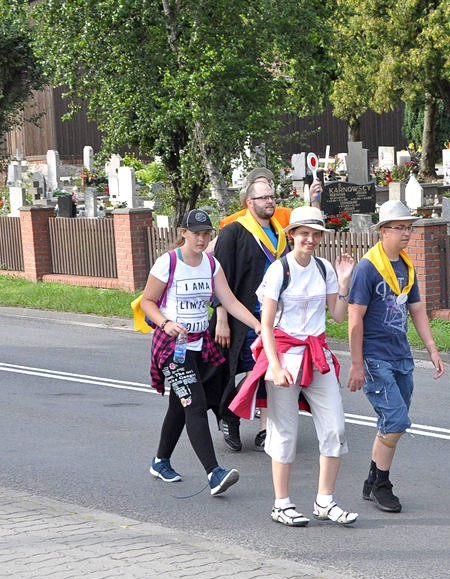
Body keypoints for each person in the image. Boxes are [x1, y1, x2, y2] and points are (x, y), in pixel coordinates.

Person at [230, 206, 357, 527]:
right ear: (292, 236)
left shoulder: (324, 268)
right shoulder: (279, 271)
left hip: (317, 357)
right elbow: (266, 323)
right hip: (285, 357)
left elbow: (338, 315)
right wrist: (274, 365)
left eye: (315, 234)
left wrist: (343, 282)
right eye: (304, 233)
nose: (310, 239)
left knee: (335, 428)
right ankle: (281, 503)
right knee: (285, 432)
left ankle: (325, 501)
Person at [139, 209, 262, 496]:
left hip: (199, 346)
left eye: (207, 234)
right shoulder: (167, 263)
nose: (202, 239)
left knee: (178, 406)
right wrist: (165, 323)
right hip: (172, 349)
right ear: (183, 232)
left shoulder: (211, 264)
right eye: (196, 233)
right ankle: (214, 472)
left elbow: (230, 302)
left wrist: (259, 326)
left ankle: (160, 461)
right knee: (193, 404)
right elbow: (147, 301)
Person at [210, 168, 321, 453]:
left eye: (272, 196)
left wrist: (314, 201)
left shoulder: (279, 233)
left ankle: (263, 429)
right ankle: (230, 414)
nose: (270, 202)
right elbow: (221, 277)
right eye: (263, 198)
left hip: (277, 317)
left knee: (270, 371)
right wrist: (221, 316)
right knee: (254, 370)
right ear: (250, 203)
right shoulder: (233, 232)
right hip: (243, 316)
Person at [346, 200, 445, 513]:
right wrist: (357, 364)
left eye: (409, 227)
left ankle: (372, 479)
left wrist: (431, 347)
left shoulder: (406, 265)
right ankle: (381, 485)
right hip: (375, 358)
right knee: (396, 420)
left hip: (401, 357)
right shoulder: (367, 268)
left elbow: (416, 309)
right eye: (400, 227)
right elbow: (354, 319)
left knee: (390, 423)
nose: (407, 233)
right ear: (383, 231)